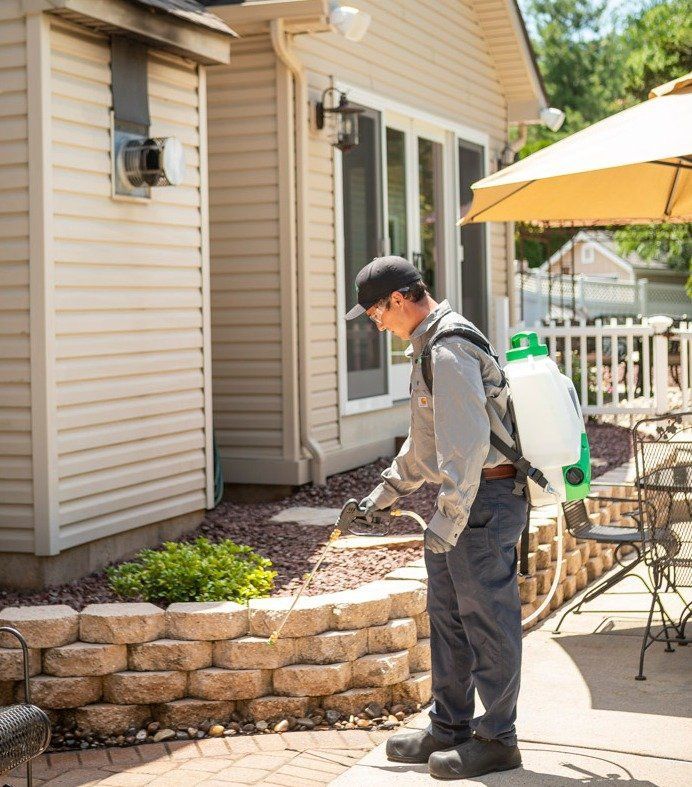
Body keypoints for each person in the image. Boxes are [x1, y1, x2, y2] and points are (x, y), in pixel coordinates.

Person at [346, 256, 528, 780]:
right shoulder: (430, 348)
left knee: (488, 623)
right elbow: (426, 447)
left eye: (375, 313)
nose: (375, 323)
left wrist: (448, 519)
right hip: (467, 504)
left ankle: (498, 738)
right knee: (449, 620)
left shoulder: (448, 349)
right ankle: (449, 727)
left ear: (397, 300)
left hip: (484, 505)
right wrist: (383, 495)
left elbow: (468, 448)